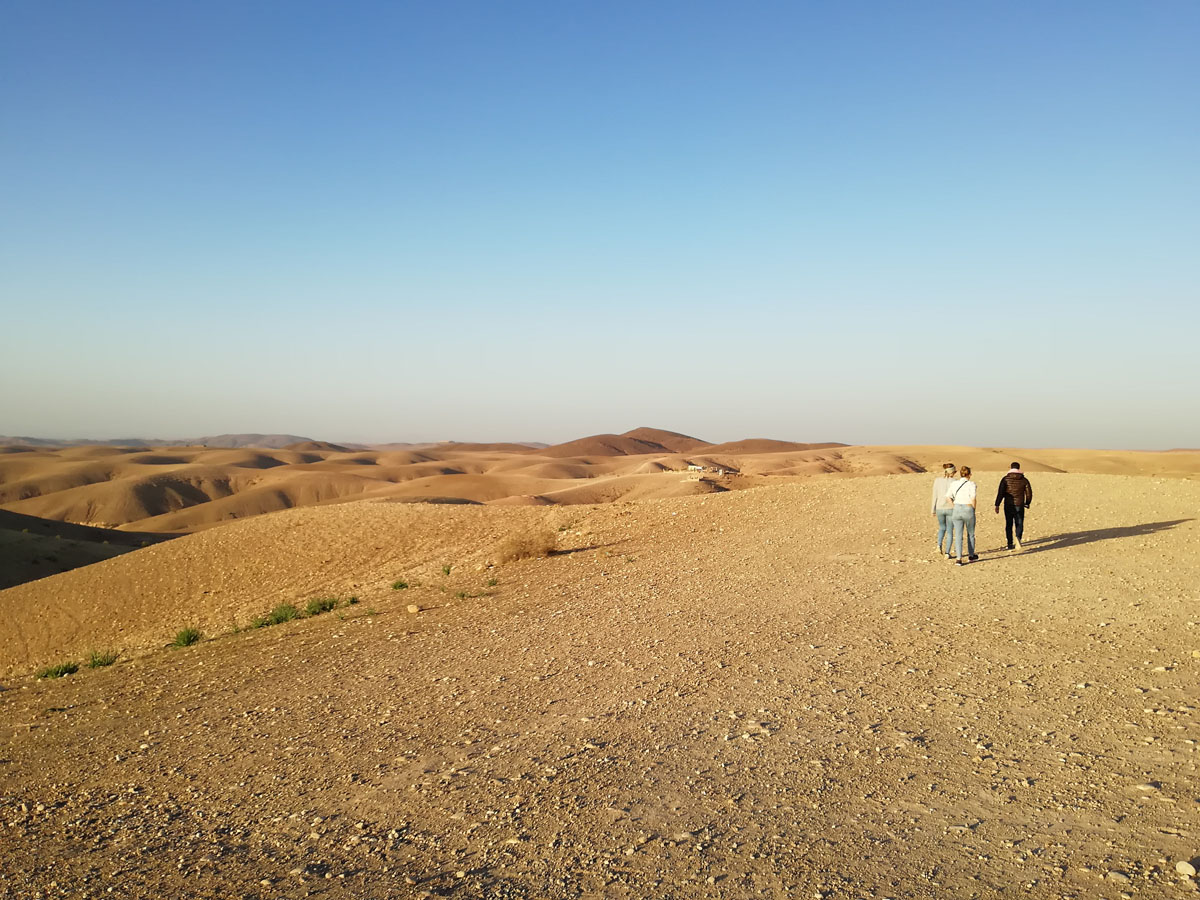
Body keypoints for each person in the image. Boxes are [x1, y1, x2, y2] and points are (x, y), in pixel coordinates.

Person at [994, 461, 1033, 551]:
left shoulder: (1005, 479)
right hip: (1019, 504)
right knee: (1019, 523)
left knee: (1009, 523)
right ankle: (1018, 538)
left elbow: (1000, 493)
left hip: (1008, 504)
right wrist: (1027, 502)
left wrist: (997, 504)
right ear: (1018, 468)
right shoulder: (1024, 480)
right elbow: (1029, 493)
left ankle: (1010, 543)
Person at [946, 465, 978, 565]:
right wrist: (973, 509)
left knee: (958, 535)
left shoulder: (954, 484)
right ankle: (971, 555)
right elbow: (973, 498)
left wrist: (954, 506)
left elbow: (948, 497)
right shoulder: (972, 484)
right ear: (969, 474)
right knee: (971, 534)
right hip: (968, 508)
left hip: (956, 509)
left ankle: (959, 558)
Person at [931, 462, 958, 557]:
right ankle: (947, 553)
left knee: (942, 527)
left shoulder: (937, 480)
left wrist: (932, 509)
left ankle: (938, 545)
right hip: (951, 508)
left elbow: (935, 495)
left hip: (939, 508)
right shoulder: (955, 481)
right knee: (950, 530)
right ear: (952, 472)